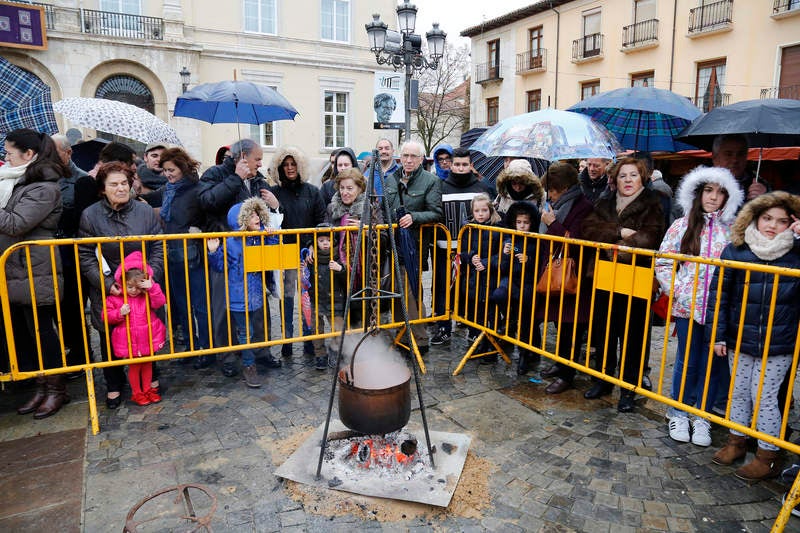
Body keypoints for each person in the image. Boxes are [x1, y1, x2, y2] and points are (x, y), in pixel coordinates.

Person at [707, 192, 800, 481]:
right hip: (739, 337)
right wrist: (719, 335)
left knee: (764, 397)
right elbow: (719, 294)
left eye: (782, 221)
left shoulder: (797, 253)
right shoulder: (736, 249)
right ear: (755, 218)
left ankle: (767, 455)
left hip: (780, 341)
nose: (773, 225)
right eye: (767, 218)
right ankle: (736, 442)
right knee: (738, 392)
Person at [655, 166, 743, 445]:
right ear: (697, 193)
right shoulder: (682, 225)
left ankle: (702, 416)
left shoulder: (733, 231)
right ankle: (679, 411)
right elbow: (664, 261)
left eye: (720, 192)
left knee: (713, 365)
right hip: (686, 308)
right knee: (687, 361)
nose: (714, 197)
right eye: (708, 190)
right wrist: (680, 293)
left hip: (718, 311)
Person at [581, 157, 664, 413]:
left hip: (635, 277)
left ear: (642, 178)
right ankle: (603, 380)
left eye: (633, 175)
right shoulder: (604, 201)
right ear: (615, 180)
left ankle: (629, 387)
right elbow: (588, 229)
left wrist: (625, 246)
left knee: (633, 335)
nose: (627, 180)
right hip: (605, 274)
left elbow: (652, 236)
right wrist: (619, 232)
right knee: (605, 331)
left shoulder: (654, 204)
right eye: (622, 176)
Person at [78, 162, 164, 409]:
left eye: (124, 183)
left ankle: (151, 379)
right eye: (114, 184)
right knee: (109, 335)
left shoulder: (144, 211)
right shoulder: (90, 215)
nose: (120, 188)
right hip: (110, 287)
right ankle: (114, 383)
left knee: (146, 329)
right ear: (103, 189)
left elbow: (158, 245)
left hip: (142, 285)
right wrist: (107, 284)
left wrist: (151, 276)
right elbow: (84, 254)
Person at [3, 129, 69, 419]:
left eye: (8, 153)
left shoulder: (44, 186)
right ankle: (41, 387)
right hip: (17, 269)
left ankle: (57, 389)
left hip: (35, 268)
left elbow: (17, 223)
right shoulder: (18, 182)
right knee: (28, 333)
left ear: (28, 154)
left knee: (43, 331)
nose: (4, 159)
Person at [199, 139, 281, 372]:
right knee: (225, 306)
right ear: (243, 157)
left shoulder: (256, 179)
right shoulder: (215, 173)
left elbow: (264, 212)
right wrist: (235, 178)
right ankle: (227, 357)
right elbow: (206, 201)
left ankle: (261, 351)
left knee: (258, 305)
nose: (260, 163)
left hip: (255, 250)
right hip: (227, 250)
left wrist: (275, 205)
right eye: (257, 159)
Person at [207, 197, 281, 388]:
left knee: (254, 329)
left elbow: (272, 257)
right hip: (238, 294)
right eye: (252, 215)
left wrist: (272, 236)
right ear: (242, 220)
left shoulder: (259, 237)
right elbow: (220, 266)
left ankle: (253, 358)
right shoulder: (231, 242)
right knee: (245, 332)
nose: (257, 218)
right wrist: (214, 252)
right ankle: (249, 366)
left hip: (255, 294)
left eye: (258, 214)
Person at [534, 162, 594, 390]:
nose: (550, 194)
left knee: (571, 326)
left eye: (553, 189)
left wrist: (552, 223)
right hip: (555, 271)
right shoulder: (558, 204)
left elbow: (576, 242)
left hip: (573, 274)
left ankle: (568, 373)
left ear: (564, 187)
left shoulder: (583, 206)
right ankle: (560, 363)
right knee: (560, 323)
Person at [151, 147, 212, 367]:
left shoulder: (198, 189)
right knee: (182, 304)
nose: (168, 174)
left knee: (199, 304)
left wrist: (200, 230)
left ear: (182, 168)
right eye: (165, 170)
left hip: (192, 253)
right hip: (172, 253)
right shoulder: (169, 189)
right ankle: (191, 346)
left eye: (171, 170)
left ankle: (206, 348)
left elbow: (209, 215)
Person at [382, 140, 443, 354]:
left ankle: (420, 338)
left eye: (413, 157)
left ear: (421, 159)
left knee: (412, 291)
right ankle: (402, 333)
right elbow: (384, 208)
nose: (408, 160)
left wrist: (414, 217)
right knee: (397, 290)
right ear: (400, 157)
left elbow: (436, 212)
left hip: (414, 246)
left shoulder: (431, 181)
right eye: (405, 156)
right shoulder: (390, 179)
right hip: (392, 244)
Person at [431, 147, 494, 346]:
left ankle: (473, 328)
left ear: (470, 165)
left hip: (473, 251)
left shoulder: (482, 187)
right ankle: (443, 327)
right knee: (443, 288)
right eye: (456, 164)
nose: (460, 168)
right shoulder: (440, 186)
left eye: (464, 164)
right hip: (445, 249)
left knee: (473, 289)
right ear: (450, 164)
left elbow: (491, 215)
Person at [269, 146, 327, 358]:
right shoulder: (274, 193)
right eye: (286, 165)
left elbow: (321, 221)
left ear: (300, 166)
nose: (290, 168)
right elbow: (271, 222)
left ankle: (309, 340)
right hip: (284, 251)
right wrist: (276, 207)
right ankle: (287, 340)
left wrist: (314, 243)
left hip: (306, 254)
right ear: (279, 167)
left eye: (293, 164)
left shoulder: (312, 191)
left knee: (307, 298)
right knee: (286, 299)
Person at [51, 134, 97, 369]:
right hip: (53, 255)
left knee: (73, 306)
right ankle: (74, 351)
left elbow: (83, 219)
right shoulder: (44, 178)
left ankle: (82, 353)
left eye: (54, 150)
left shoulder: (82, 181)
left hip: (73, 254)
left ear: (68, 153)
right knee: (62, 308)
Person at [104, 251, 166, 406]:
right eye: (129, 286)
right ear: (122, 283)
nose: (133, 290)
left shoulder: (146, 295)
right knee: (135, 367)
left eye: (137, 287)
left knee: (147, 365)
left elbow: (159, 301)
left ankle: (147, 391)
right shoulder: (116, 298)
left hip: (146, 338)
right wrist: (119, 313)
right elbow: (106, 315)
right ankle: (137, 393)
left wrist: (152, 288)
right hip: (131, 341)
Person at [491, 200, 540, 371]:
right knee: (498, 295)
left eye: (525, 223)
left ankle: (526, 354)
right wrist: (504, 255)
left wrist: (529, 261)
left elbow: (540, 266)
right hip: (510, 279)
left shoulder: (537, 240)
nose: (522, 226)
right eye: (519, 222)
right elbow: (502, 267)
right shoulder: (509, 238)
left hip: (528, 282)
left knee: (527, 318)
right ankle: (510, 319)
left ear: (531, 223)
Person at [457, 193, 503, 362]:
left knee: (490, 315)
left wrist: (486, 262)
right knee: (475, 314)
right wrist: (470, 257)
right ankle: (479, 344)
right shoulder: (469, 228)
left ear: (490, 210)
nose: (481, 214)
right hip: (473, 279)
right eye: (477, 211)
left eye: (484, 210)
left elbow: (501, 255)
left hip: (491, 278)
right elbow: (461, 252)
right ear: (473, 212)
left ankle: (491, 349)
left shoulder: (498, 228)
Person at [305, 224, 347, 370]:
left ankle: (335, 352)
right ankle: (320, 355)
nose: (324, 243)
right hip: (316, 299)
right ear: (315, 242)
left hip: (336, 299)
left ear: (333, 241)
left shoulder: (339, 255)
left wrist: (340, 269)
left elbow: (348, 274)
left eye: (327, 240)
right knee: (317, 330)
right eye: (321, 240)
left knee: (338, 328)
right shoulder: (311, 257)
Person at [711, 134, 767, 202]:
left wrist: (765, 200)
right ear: (715, 158)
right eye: (728, 154)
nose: (735, 160)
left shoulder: (760, 186)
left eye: (740, 154)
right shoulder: (700, 185)